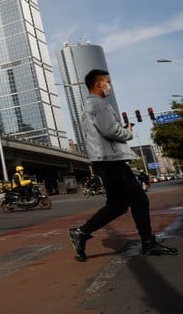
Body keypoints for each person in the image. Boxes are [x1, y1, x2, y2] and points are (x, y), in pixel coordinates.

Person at [68, 69, 178, 261]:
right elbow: (110, 130)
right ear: (98, 84)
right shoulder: (98, 104)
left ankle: (84, 233)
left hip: (109, 160)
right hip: (110, 161)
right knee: (129, 202)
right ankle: (84, 232)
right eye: (107, 82)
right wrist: (127, 132)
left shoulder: (89, 106)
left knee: (124, 204)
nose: (109, 85)